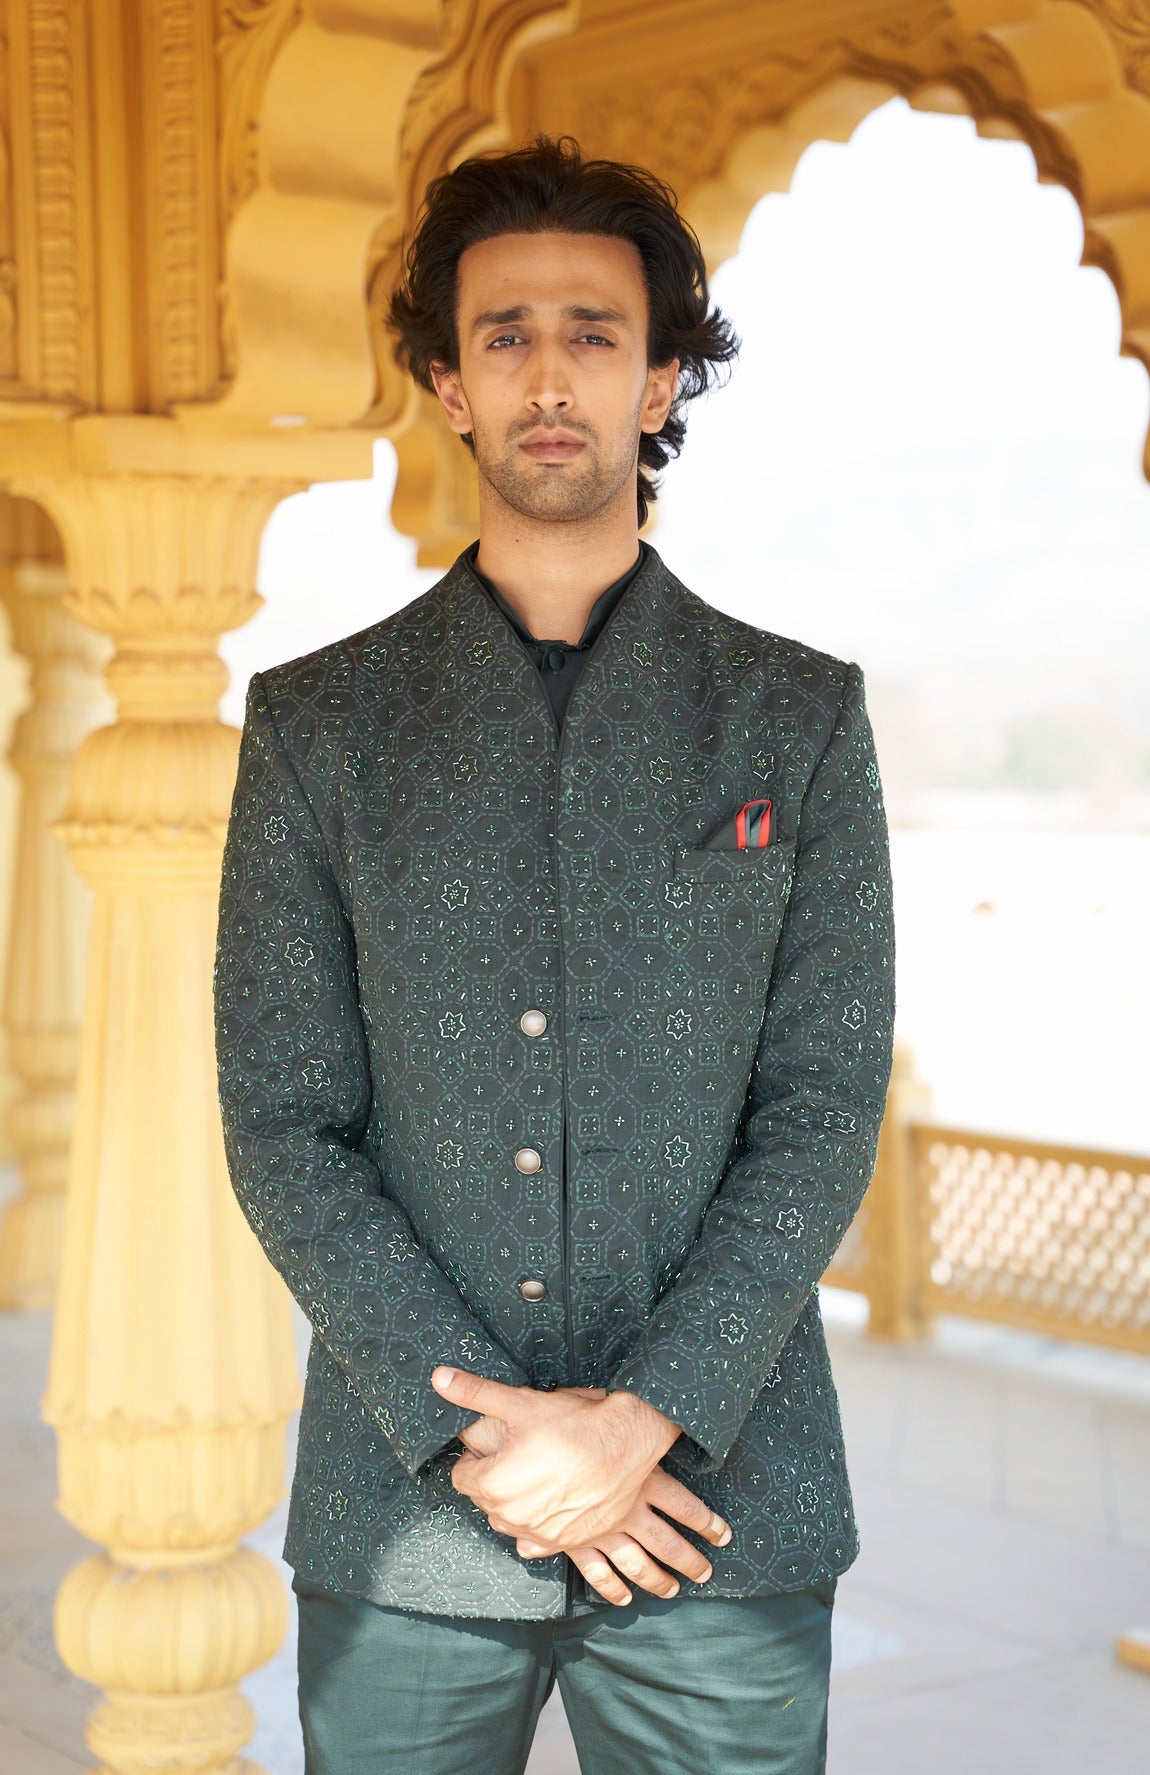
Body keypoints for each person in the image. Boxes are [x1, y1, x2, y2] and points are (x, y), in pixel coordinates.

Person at [213, 132, 896, 1775]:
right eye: (504, 333)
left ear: (662, 381)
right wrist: (485, 1436)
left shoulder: (797, 719)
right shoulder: (317, 729)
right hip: (408, 1522)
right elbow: (284, 1122)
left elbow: (818, 1106)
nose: (548, 374)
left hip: (722, 1512)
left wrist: (639, 1418)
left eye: (594, 333)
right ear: (446, 385)